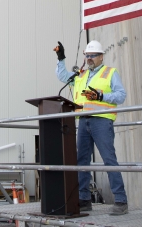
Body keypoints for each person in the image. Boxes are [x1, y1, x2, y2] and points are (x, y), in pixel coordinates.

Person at [54, 40, 128, 215]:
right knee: (82, 161)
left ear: (101, 56)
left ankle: (121, 200)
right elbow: (63, 76)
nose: (89, 58)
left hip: (102, 121)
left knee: (109, 159)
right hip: (83, 121)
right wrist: (61, 57)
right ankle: (84, 199)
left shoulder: (110, 73)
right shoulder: (81, 75)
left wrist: (101, 95)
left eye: (93, 56)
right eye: (87, 56)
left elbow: (121, 95)